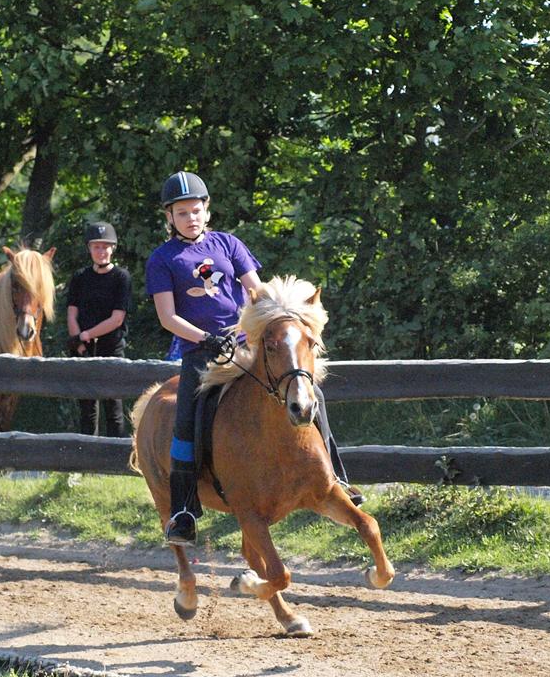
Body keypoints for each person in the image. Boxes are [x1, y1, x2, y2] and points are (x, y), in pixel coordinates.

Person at [145, 171, 361, 547]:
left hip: (246, 345)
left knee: (311, 393)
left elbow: (257, 293)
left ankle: (337, 477)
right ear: (169, 217)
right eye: (181, 213)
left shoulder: (228, 244)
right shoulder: (163, 259)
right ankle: (183, 510)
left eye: (195, 210)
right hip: (200, 352)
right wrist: (206, 339)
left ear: (206, 210)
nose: (190, 218)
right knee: (186, 420)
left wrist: (273, 324)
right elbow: (168, 317)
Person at [66, 221, 132, 437]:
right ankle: (86, 451)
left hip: (111, 347)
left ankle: (116, 452)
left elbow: (117, 319)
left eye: (105, 247)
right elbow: (72, 312)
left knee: (113, 407)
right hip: (83, 348)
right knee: (87, 408)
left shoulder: (121, 277)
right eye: (96, 247)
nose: (101, 251)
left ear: (112, 249)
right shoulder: (80, 277)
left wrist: (87, 334)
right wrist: (78, 340)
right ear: (89, 248)